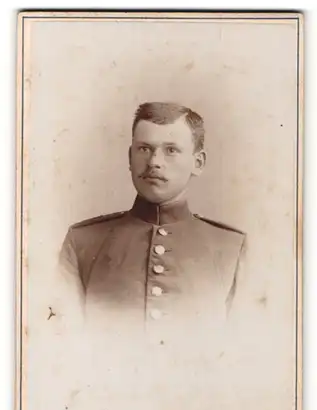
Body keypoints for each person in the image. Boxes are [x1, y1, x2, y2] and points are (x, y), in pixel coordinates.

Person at [59, 102, 246, 336]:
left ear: (198, 163)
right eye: (144, 149)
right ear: (130, 157)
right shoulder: (82, 243)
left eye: (171, 150)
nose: (154, 162)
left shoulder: (231, 248)